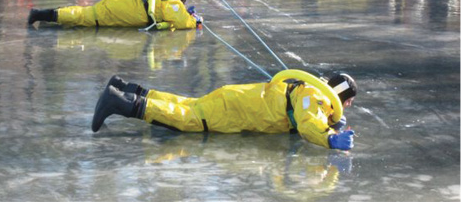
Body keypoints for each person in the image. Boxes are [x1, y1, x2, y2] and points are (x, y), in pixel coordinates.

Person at [91, 72, 358, 151]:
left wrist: (330, 125)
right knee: (187, 120)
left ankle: (128, 87)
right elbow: (308, 123)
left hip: (235, 98)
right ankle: (121, 102)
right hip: (235, 111)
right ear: (341, 96)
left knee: (187, 104)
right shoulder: (314, 98)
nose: (347, 108)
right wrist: (329, 138)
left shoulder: (306, 89)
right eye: (348, 102)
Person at [28, 0, 202, 29]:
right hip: (121, 11)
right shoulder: (172, 2)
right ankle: (39, 14)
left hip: (121, 1)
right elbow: (182, 22)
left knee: (86, 13)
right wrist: (195, 21)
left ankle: (50, 13)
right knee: (84, 17)